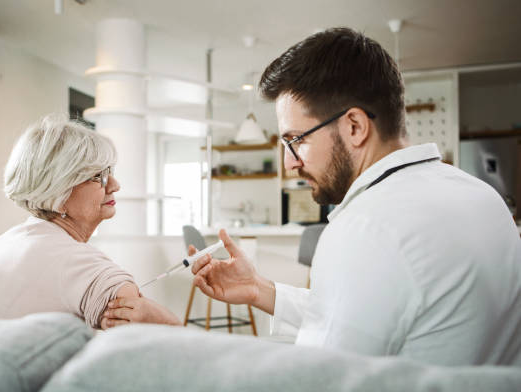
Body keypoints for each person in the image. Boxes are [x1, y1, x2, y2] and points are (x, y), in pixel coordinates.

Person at [189, 28, 521, 366]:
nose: (290, 163)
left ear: (354, 127)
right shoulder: (481, 194)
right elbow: (371, 317)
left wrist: (174, 337)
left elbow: (318, 384)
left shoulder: (365, 229)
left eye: (295, 140)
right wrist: (260, 289)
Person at [0, 115, 180, 329]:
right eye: (99, 177)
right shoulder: (70, 258)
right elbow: (149, 339)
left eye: (110, 172)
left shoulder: (16, 239)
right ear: (58, 193)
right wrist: (173, 323)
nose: (114, 185)